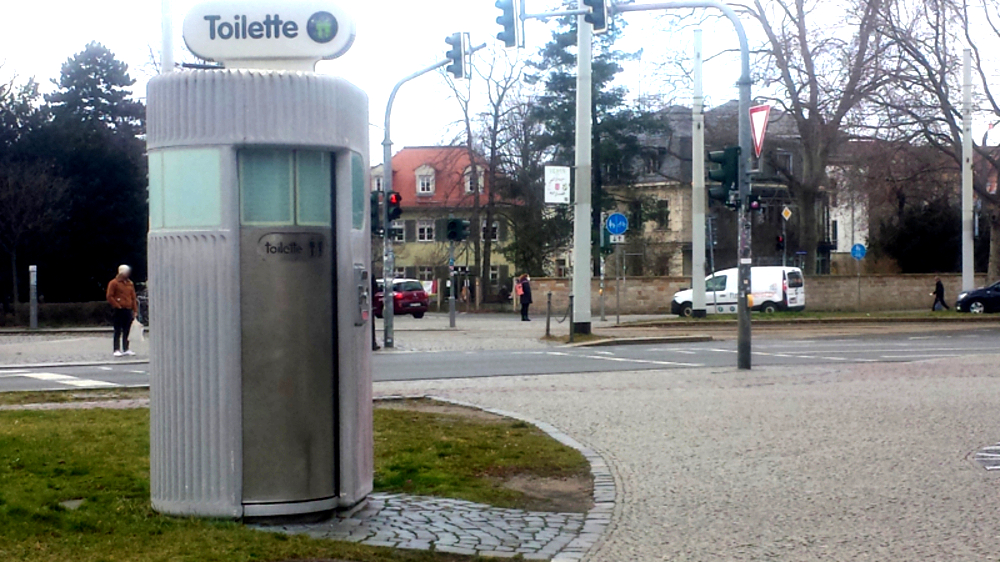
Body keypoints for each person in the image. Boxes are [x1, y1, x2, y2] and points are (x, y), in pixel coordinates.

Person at [107, 264, 139, 356]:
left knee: (127, 330)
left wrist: (135, 310)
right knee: (117, 329)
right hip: (118, 309)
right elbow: (109, 296)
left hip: (128, 309)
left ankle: (126, 348)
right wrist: (117, 305)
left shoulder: (130, 283)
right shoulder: (114, 283)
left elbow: (133, 297)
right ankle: (116, 349)